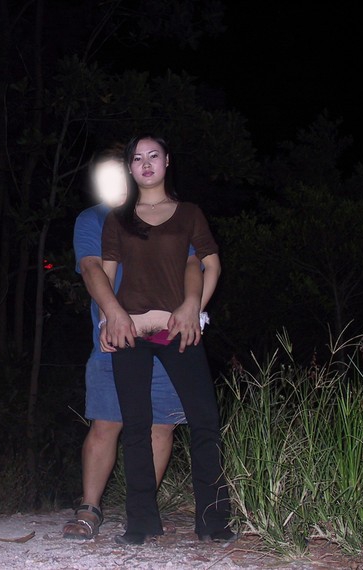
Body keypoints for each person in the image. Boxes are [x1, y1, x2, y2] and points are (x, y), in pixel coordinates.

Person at [63, 144, 206, 540]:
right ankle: (89, 508)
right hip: (116, 338)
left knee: (162, 425)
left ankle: (140, 511)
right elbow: (92, 268)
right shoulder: (93, 218)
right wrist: (113, 313)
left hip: (166, 336)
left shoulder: (171, 214)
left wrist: (191, 307)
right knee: (107, 422)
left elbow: (193, 263)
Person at [100, 133, 233, 545]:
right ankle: (141, 523)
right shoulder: (119, 218)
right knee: (136, 428)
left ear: (167, 161)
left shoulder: (189, 213)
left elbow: (211, 264)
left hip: (179, 330)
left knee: (205, 421)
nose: (146, 163)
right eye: (137, 158)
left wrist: (194, 309)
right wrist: (107, 319)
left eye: (153, 156)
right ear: (130, 167)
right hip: (132, 332)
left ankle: (213, 521)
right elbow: (106, 275)